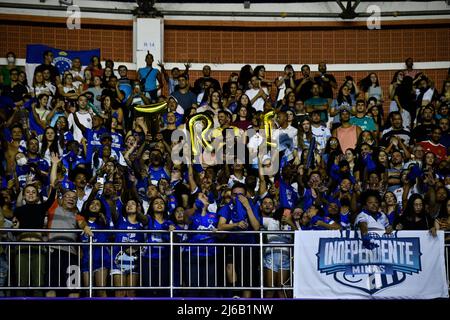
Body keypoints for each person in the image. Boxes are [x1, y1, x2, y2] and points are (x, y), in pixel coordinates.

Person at [218, 182, 261, 298]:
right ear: (231, 195)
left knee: (247, 277)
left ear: (246, 195)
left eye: (240, 194)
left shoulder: (253, 206)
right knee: (230, 266)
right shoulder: (227, 207)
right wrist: (235, 225)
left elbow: (256, 227)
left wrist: (247, 207)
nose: (237, 197)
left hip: (249, 246)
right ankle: (236, 296)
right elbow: (220, 226)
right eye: (235, 194)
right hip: (232, 245)